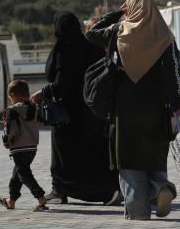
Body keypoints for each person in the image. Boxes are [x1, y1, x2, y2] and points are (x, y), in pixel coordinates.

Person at [86, 0, 180, 220]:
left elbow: (91, 34)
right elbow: (174, 75)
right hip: (156, 106)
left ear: (130, 7)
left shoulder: (118, 31)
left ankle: (138, 210)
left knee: (129, 158)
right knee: (154, 154)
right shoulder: (165, 37)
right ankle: (160, 188)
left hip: (124, 107)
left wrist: (117, 14)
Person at [31, 12, 120, 205]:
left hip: (67, 114)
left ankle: (60, 190)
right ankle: (107, 191)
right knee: (93, 153)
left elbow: (62, 83)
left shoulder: (64, 49)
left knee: (64, 155)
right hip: (92, 110)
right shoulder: (90, 45)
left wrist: (43, 93)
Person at [0, 80, 47, 211]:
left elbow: (9, 130)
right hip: (32, 147)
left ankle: (41, 198)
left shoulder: (12, 111)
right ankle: (11, 201)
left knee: (24, 174)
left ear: (12, 95)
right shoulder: (34, 108)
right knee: (18, 174)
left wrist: (7, 142)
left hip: (18, 148)